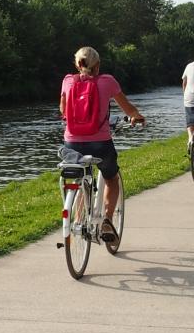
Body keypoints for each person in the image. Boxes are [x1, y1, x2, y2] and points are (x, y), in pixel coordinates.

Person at [60, 46, 145, 244]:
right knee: (111, 177)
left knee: (81, 175)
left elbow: (63, 110)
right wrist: (136, 117)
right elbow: (128, 108)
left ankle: (79, 218)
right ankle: (107, 219)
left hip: (71, 142)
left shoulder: (67, 81)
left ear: (77, 64)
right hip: (100, 142)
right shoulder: (107, 82)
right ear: (97, 65)